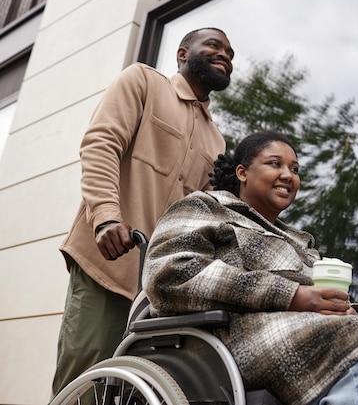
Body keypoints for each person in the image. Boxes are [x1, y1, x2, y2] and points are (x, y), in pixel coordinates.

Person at [143, 131, 358, 405]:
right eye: (274, 164)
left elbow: (320, 302)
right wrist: (293, 296)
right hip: (231, 338)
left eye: (294, 169)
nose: (288, 175)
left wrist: (343, 309)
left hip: (307, 335)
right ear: (242, 172)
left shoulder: (298, 240)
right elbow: (170, 276)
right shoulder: (204, 207)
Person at [52, 27, 234, 395]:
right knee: (84, 382)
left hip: (157, 290)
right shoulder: (143, 82)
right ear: (183, 54)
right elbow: (100, 145)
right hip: (108, 264)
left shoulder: (217, 140)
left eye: (231, 54)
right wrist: (105, 216)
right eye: (215, 46)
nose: (226, 56)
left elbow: (199, 216)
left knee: (138, 391)